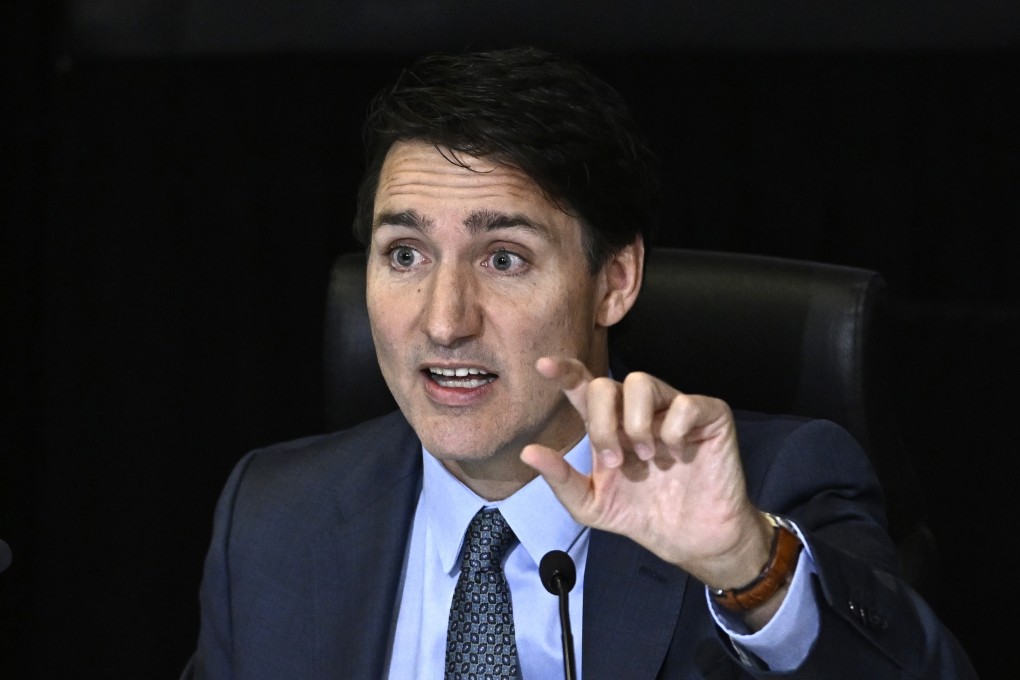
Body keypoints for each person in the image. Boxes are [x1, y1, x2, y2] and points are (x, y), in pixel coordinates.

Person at [182, 46, 977, 679]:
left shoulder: (772, 488)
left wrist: (746, 566)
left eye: (504, 258)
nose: (444, 321)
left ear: (614, 281)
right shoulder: (275, 516)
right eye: (405, 255)